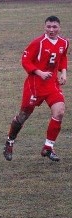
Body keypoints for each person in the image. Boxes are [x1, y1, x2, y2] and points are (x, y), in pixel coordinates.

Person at [5, 16, 68, 162]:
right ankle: (10, 141)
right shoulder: (38, 43)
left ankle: (48, 147)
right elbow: (25, 60)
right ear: (44, 27)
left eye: (54, 27)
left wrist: (64, 72)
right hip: (34, 86)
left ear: (59, 28)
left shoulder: (64, 43)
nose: (51, 30)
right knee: (23, 116)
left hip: (52, 85)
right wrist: (40, 72)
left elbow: (62, 57)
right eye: (48, 27)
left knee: (59, 112)